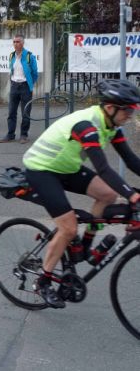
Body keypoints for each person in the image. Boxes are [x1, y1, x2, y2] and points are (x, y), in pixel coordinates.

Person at [23, 79, 140, 309]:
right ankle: (43, 281)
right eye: (128, 110)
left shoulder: (111, 126)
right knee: (68, 228)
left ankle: (85, 246)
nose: (130, 115)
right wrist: (132, 196)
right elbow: (103, 169)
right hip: (41, 169)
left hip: (67, 167)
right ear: (110, 108)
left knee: (108, 195)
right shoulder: (86, 126)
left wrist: (127, 193)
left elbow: (131, 161)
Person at [0, 34, 38, 144]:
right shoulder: (12, 55)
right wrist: (13, 82)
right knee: (11, 112)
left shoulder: (29, 56)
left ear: (22, 43)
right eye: (14, 42)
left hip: (25, 87)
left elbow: (35, 73)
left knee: (25, 112)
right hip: (14, 86)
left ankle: (24, 135)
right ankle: (10, 135)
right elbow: (12, 70)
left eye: (18, 42)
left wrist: (29, 84)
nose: (15, 44)